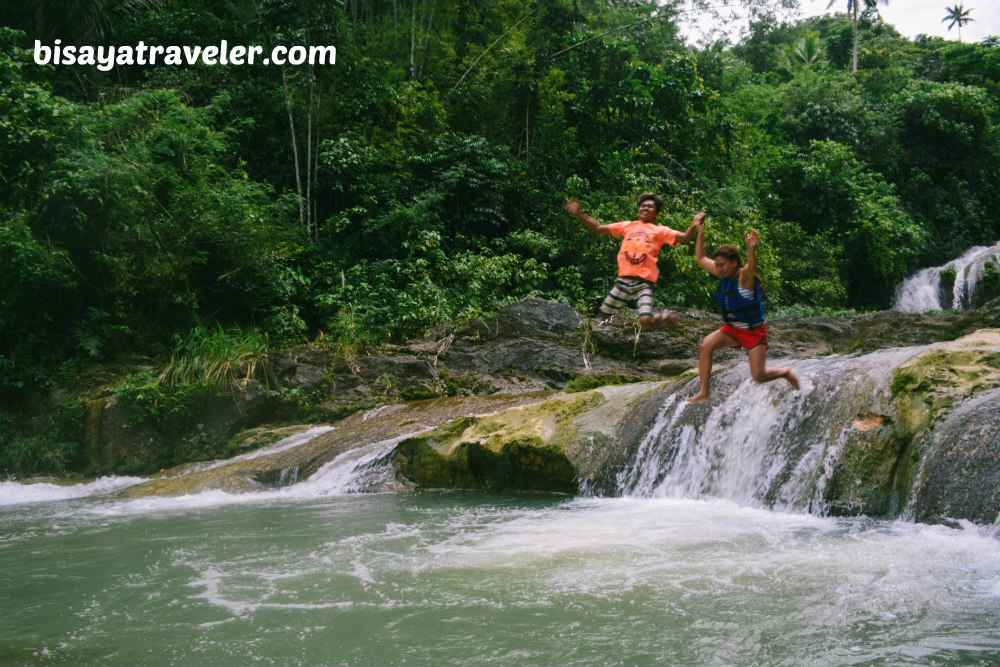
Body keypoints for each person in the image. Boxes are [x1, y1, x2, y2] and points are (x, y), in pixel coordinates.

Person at [685, 217, 799, 403]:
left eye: (722, 265)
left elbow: (751, 267)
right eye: (717, 265)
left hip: (754, 331)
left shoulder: (744, 277)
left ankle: (785, 373)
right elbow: (699, 257)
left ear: (733, 263)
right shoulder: (722, 272)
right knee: (706, 345)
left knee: (759, 376)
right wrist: (700, 230)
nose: (718, 269)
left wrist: (751, 247)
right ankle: (704, 392)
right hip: (732, 329)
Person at [566, 194, 702, 330]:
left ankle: (663, 317)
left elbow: (685, 237)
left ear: (656, 213)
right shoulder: (627, 226)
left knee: (645, 321)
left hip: (644, 283)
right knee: (602, 317)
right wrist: (579, 214)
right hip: (623, 281)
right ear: (638, 210)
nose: (645, 208)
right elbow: (597, 228)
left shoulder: (659, 231)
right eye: (643, 206)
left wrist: (694, 224)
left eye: (650, 206)